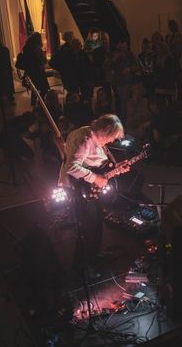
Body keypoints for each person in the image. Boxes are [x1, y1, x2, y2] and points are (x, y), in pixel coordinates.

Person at [58, 114, 127, 268]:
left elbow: (96, 164)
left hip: (86, 187)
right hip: (78, 189)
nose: (112, 141)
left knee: (95, 223)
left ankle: (92, 258)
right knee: (90, 226)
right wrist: (95, 178)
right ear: (106, 130)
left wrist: (117, 167)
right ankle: (86, 265)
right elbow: (71, 167)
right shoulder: (85, 138)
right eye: (112, 137)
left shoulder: (93, 136)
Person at [18, 32, 48, 107]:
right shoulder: (36, 48)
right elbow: (41, 61)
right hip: (39, 72)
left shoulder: (27, 47)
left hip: (31, 72)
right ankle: (41, 104)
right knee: (44, 89)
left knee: (35, 89)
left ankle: (34, 104)